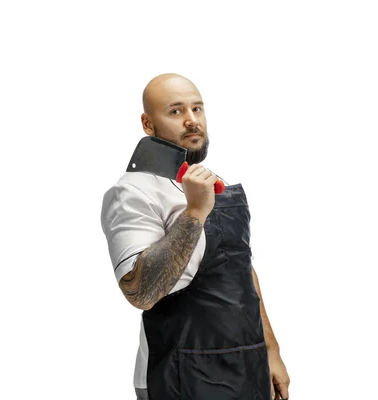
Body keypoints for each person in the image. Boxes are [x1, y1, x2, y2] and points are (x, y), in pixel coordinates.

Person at [101, 73, 290, 400]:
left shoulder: (211, 180)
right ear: (148, 124)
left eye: (197, 109)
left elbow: (239, 266)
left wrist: (269, 350)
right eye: (176, 112)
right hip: (181, 374)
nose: (192, 121)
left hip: (246, 366)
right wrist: (195, 212)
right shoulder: (132, 192)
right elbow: (140, 292)